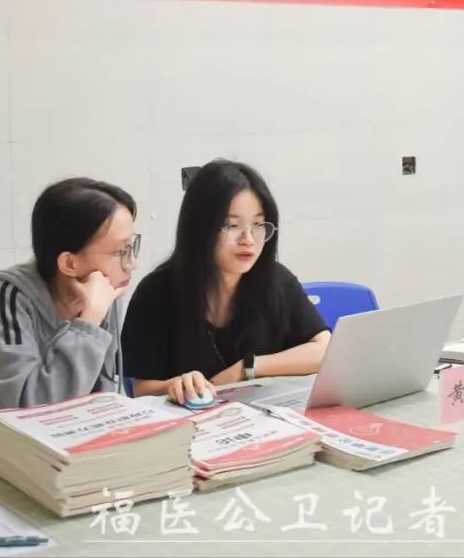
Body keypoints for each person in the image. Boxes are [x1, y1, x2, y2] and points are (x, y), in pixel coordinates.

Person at [0, 178, 139, 437]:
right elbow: (30, 413)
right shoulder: (6, 299)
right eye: (121, 252)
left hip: (49, 447)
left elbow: (105, 396)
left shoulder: (102, 296)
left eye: (132, 246)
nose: (132, 263)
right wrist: (88, 325)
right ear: (69, 264)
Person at [122, 160, 330, 404]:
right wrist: (177, 386)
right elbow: (141, 389)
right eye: (232, 225)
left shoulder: (276, 280)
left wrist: (248, 367)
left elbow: (324, 349)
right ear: (200, 228)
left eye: (258, 224)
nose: (248, 239)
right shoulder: (156, 292)